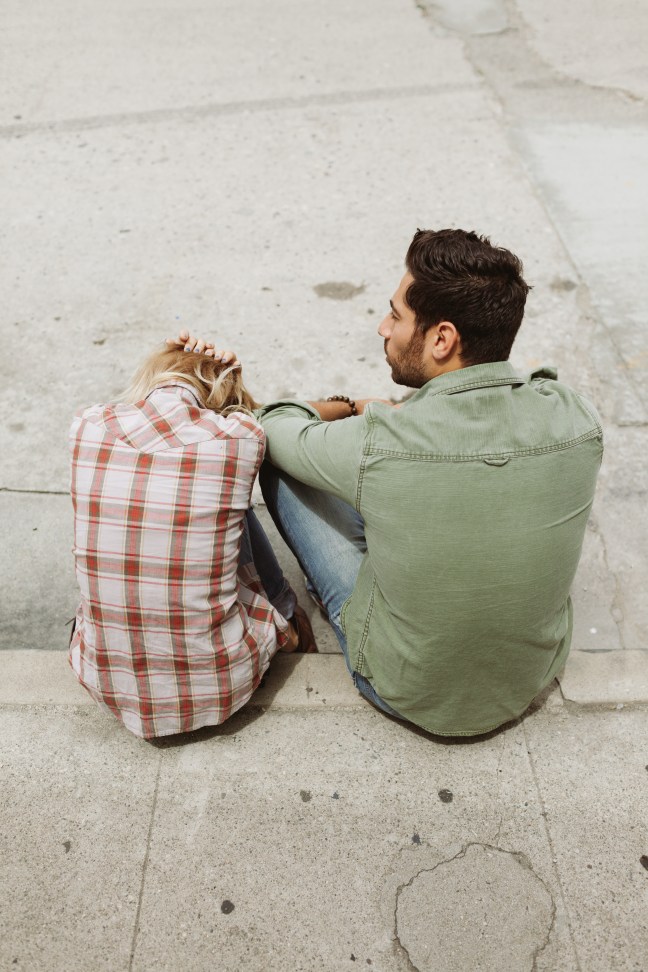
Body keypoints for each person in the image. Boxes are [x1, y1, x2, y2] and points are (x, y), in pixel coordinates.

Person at [174, 227, 603, 737]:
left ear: (442, 338)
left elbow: (269, 423)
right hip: (526, 682)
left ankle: (294, 614)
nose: (383, 326)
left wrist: (354, 407)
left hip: (401, 689)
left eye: (396, 315)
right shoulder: (576, 418)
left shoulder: (381, 438)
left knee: (283, 463)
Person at [69, 344, 316, 740]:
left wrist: (174, 354)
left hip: (103, 682)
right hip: (221, 688)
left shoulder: (88, 426)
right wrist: (225, 372)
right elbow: (254, 420)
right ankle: (289, 618)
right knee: (227, 509)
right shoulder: (240, 438)